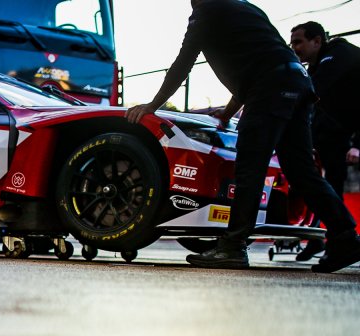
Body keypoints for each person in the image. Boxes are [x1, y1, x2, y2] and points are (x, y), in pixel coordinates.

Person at [125, 0, 360, 273]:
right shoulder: (245, 8)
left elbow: (183, 64)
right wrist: (227, 113)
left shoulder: (206, 11)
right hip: (297, 83)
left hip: (270, 88)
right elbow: (260, 62)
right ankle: (346, 239)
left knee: (250, 168)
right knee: (302, 172)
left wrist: (152, 106)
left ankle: (233, 246)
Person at [289, 21, 360, 261]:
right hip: (334, 136)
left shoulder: (338, 54)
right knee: (323, 186)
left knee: (330, 187)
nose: (294, 48)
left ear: (317, 41)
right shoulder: (317, 65)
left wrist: (357, 145)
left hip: (349, 136)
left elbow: (310, 91)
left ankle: (338, 242)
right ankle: (325, 241)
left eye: (298, 42)